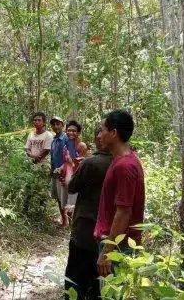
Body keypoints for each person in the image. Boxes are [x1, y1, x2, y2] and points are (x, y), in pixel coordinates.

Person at [94, 109, 145, 278]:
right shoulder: (121, 160)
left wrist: (107, 252)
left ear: (114, 133)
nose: (99, 135)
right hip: (116, 244)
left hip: (118, 248)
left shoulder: (125, 166)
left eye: (102, 130)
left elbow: (124, 211)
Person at [63, 126, 112, 299]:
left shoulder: (91, 163)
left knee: (76, 280)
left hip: (85, 229)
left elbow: (72, 187)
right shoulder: (125, 162)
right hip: (111, 234)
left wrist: (70, 165)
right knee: (101, 282)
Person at [23, 112, 54, 213]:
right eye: (35, 120)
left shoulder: (48, 135)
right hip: (32, 163)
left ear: (44, 122)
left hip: (44, 164)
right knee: (29, 186)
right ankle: (25, 209)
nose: (36, 122)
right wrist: (32, 157)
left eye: (39, 120)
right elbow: (27, 148)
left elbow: (46, 150)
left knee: (43, 187)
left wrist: (37, 158)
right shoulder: (31, 134)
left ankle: (41, 211)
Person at [63, 120, 89, 209]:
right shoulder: (65, 145)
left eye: (74, 131)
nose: (71, 132)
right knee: (65, 203)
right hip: (66, 177)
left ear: (78, 133)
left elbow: (80, 165)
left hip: (76, 178)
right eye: (69, 130)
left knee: (73, 204)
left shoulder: (82, 146)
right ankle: (67, 221)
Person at [50, 116, 70, 226]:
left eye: (58, 124)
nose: (55, 126)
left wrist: (63, 168)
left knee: (67, 197)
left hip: (65, 173)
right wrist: (52, 170)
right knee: (59, 197)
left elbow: (70, 156)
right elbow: (53, 156)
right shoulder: (53, 140)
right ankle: (64, 220)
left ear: (62, 125)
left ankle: (70, 222)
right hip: (55, 173)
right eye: (53, 124)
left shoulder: (66, 139)